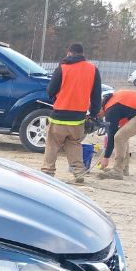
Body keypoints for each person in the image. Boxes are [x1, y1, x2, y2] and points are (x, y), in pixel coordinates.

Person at [40, 43, 102, 184]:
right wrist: (93, 115)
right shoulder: (93, 70)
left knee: (52, 145)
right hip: (78, 119)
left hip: (59, 117)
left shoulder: (62, 68)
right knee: (74, 145)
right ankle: (79, 172)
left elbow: (50, 91)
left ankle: (47, 173)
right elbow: (96, 96)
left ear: (69, 53)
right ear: (82, 54)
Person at [97, 90, 136, 180]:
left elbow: (112, 135)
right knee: (122, 136)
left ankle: (117, 171)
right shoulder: (114, 102)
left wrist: (106, 157)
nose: (99, 117)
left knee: (119, 137)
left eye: (97, 114)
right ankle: (124, 168)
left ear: (100, 108)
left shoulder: (111, 109)